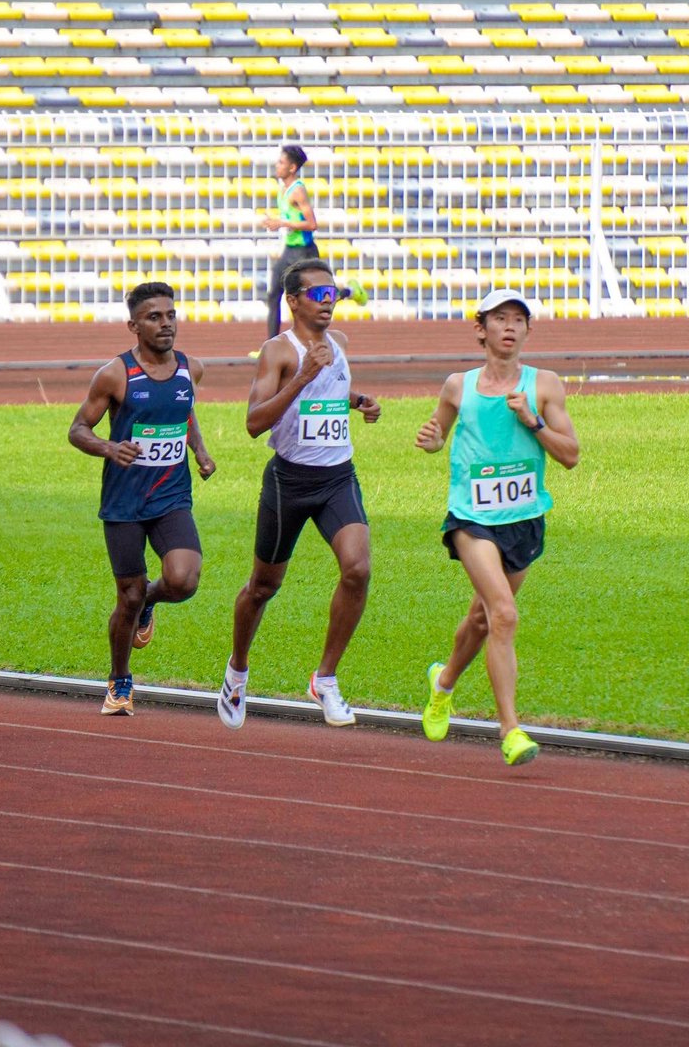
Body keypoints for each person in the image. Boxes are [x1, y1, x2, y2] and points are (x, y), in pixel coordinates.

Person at [414, 290, 580, 765]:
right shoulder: (457, 386)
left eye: (518, 320)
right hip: (471, 517)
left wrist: (532, 422)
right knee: (504, 615)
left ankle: (443, 682)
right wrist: (430, 440)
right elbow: (437, 433)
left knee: (482, 619)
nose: (509, 327)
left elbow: (570, 456)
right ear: (480, 328)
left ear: (528, 331)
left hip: (524, 520)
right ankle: (510, 730)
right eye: (499, 319)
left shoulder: (544, 385)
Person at [217, 257, 381, 731]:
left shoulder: (341, 344)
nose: (330, 303)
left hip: (337, 477)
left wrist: (358, 403)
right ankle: (237, 670)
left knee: (359, 568)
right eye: (319, 295)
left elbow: (329, 397)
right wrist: (303, 375)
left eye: (334, 295)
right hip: (289, 482)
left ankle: (325, 679)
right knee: (263, 587)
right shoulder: (278, 352)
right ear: (293, 301)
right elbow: (253, 423)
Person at [68, 281, 216, 716]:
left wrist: (200, 450)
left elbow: (184, 409)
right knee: (126, 597)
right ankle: (120, 679)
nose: (166, 323)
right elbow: (78, 429)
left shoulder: (192, 368)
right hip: (125, 503)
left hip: (172, 496)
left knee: (184, 579)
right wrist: (109, 448)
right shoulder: (115, 374)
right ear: (134, 325)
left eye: (171, 315)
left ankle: (152, 600)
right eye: (154, 317)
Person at [264, 144, 319, 340]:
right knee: (273, 294)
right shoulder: (283, 189)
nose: (277, 165)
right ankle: (271, 345)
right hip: (290, 250)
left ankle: (348, 291)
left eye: (281, 162)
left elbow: (312, 224)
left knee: (312, 300)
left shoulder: (298, 191)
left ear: (292, 168)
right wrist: (275, 222)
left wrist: (281, 223)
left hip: (304, 253)